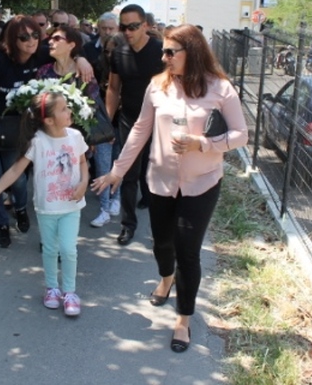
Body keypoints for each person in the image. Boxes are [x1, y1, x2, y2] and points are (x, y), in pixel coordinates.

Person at [92, 24, 248, 352]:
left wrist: (202, 143)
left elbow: (240, 135)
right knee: (162, 244)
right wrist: (117, 171)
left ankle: (183, 319)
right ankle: (166, 279)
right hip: (160, 181)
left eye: (169, 52)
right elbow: (139, 130)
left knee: (188, 252)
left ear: (191, 52)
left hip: (202, 183)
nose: (163, 58)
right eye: (163, 51)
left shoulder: (220, 89)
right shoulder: (157, 87)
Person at [0, 15, 93, 248]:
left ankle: (19, 208)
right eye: (24, 37)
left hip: (15, 126)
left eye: (35, 35)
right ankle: (0, 225)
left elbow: (65, 52)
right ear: (12, 39)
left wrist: (81, 59)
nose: (31, 41)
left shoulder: (39, 53)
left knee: (17, 177)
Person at [0, 90, 89, 316]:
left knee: (68, 249)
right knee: (50, 249)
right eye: (63, 109)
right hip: (47, 208)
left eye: (67, 106)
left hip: (71, 206)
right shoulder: (38, 142)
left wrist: (84, 183)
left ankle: (70, 292)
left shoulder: (75, 136)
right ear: (48, 120)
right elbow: (15, 170)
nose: (69, 111)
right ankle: (52, 288)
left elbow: (82, 163)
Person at [34, 27, 117, 228]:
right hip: (56, 137)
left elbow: (94, 104)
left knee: (98, 168)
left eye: (56, 38)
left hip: (83, 133)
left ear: (71, 44)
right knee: (62, 179)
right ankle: (58, 223)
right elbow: (38, 106)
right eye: (50, 39)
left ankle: (105, 208)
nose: (50, 42)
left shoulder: (83, 71)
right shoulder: (44, 72)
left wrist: (92, 137)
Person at [105, 4, 163, 245]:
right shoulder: (119, 54)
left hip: (160, 122)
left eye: (133, 26)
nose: (128, 31)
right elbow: (113, 88)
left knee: (158, 173)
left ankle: (161, 227)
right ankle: (128, 225)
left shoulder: (162, 52)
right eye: (123, 27)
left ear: (146, 26)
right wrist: (107, 123)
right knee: (128, 174)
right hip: (130, 120)